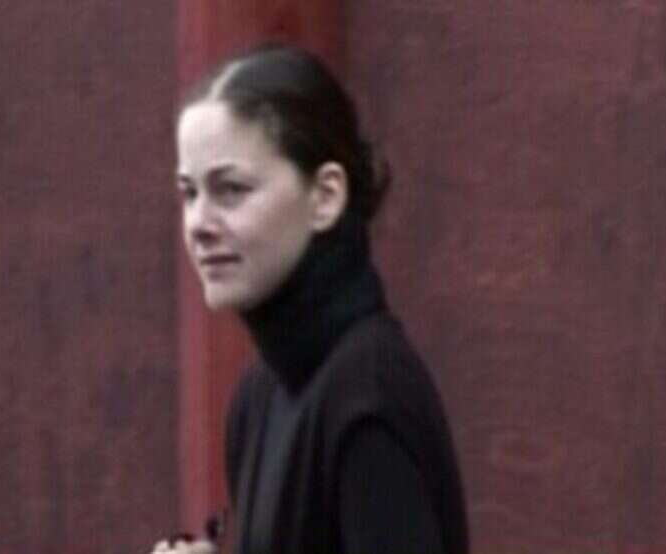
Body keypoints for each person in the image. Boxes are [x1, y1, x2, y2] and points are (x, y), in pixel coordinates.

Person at [152, 43, 468, 554]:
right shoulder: (259, 394)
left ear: (325, 196)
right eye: (190, 193)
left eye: (231, 189)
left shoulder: (369, 391)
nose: (199, 225)